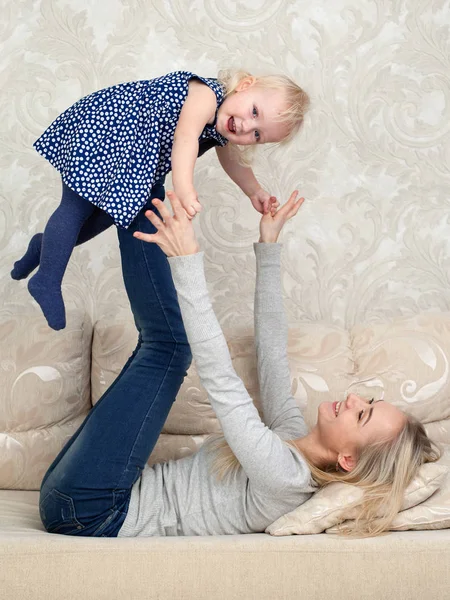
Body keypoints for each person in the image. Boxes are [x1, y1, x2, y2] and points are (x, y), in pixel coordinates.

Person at [38, 189, 439, 539]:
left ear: (348, 460)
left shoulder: (286, 479)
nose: (353, 399)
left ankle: (133, 191)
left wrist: (187, 261)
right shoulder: (292, 438)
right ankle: (136, 188)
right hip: (86, 494)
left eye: (362, 415)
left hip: (93, 513)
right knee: (167, 343)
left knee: (171, 347)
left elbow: (223, 385)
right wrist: (268, 248)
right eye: (366, 399)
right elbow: (272, 355)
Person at [11, 69, 309, 330]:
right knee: (75, 208)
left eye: (257, 135)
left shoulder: (222, 130)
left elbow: (232, 159)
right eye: (254, 112)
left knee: (107, 215)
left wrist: (254, 191)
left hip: (130, 155)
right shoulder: (206, 94)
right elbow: (185, 138)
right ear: (245, 85)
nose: (246, 126)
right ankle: (47, 279)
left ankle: (45, 246)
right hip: (105, 130)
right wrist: (184, 188)